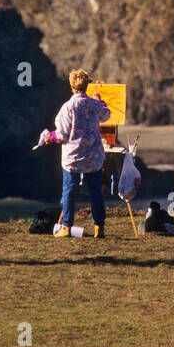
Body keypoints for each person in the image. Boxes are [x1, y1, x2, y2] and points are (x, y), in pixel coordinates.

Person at [53, 69, 111, 238]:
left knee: (69, 192)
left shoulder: (67, 108)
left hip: (72, 158)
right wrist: (100, 100)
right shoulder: (94, 105)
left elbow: (62, 134)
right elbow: (106, 115)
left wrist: (49, 137)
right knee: (95, 192)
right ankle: (99, 227)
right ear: (87, 85)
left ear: (71, 86)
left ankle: (66, 227)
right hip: (93, 157)